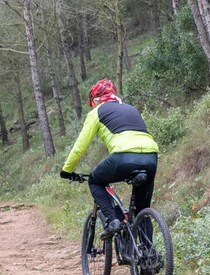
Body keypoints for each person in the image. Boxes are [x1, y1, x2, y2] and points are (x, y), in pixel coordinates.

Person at [60, 79, 159, 240]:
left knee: (94, 180)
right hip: (151, 156)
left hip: (124, 155)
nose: (93, 106)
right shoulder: (131, 109)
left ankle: (112, 220)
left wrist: (67, 170)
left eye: (93, 103)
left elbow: (80, 147)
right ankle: (149, 258)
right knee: (142, 211)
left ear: (97, 100)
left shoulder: (96, 113)